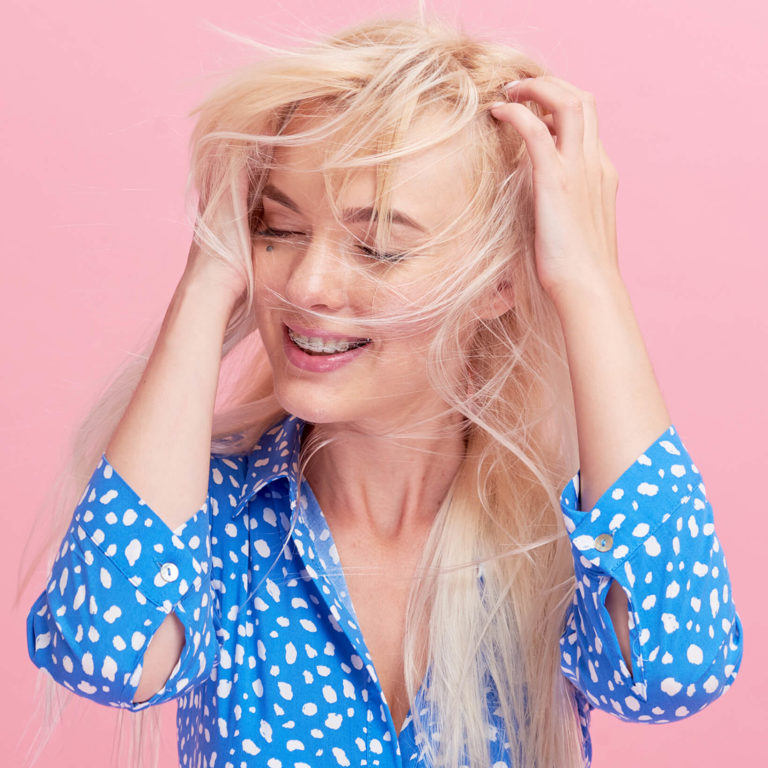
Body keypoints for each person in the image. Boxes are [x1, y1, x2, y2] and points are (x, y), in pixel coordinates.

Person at [26, 15, 743, 768]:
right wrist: (208, 280)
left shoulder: (564, 540)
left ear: (498, 283)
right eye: (279, 228)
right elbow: (109, 656)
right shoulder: (210, 514)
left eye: (379, 247)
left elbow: (675, 672)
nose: (307, 285)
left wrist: (589, 279)